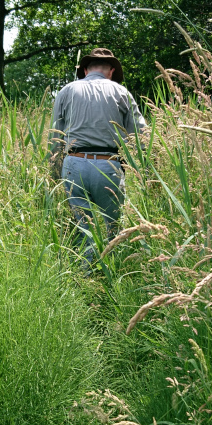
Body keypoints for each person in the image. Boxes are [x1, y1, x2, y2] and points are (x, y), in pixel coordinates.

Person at [50, 48, 146, 266]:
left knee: (82, 227)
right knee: (114, 227)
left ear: (85, 70)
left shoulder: (66, 91)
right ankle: (111, 272)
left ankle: (85, 273)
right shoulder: (121, 92)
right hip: (108, 164)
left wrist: (54, 172)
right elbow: (141, 135)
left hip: (73, 163)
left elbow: (55, 136)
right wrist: (147, 169)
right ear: (111, 71)